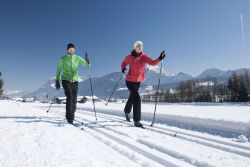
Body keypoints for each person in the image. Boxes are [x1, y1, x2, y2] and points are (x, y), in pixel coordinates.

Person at [121, 41, 166, 127]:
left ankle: (126, 111)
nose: (139, 47)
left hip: (138, 82)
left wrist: (159, 58)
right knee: (137, 98)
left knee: (132, 96)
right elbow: (124, 63)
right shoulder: (129, 57)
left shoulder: (144, 57)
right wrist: (123, 68)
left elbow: (152, 62)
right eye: (138, 46)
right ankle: (136, 120)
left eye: (141, 46)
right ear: (134, 47)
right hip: (129, 81)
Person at [55, 43, 90, 124]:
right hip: (65, 80)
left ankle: (72, 114)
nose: (72, 50)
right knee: (70, 97)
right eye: (70, 49)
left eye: (73, 49)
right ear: (67, 50)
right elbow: (59, 69)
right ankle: (69, 117)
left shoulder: (77, 58)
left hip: (75, 80)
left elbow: (87, 66)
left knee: (74, 99)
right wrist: (57, 80)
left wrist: (88, 61)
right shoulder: (62, 59)